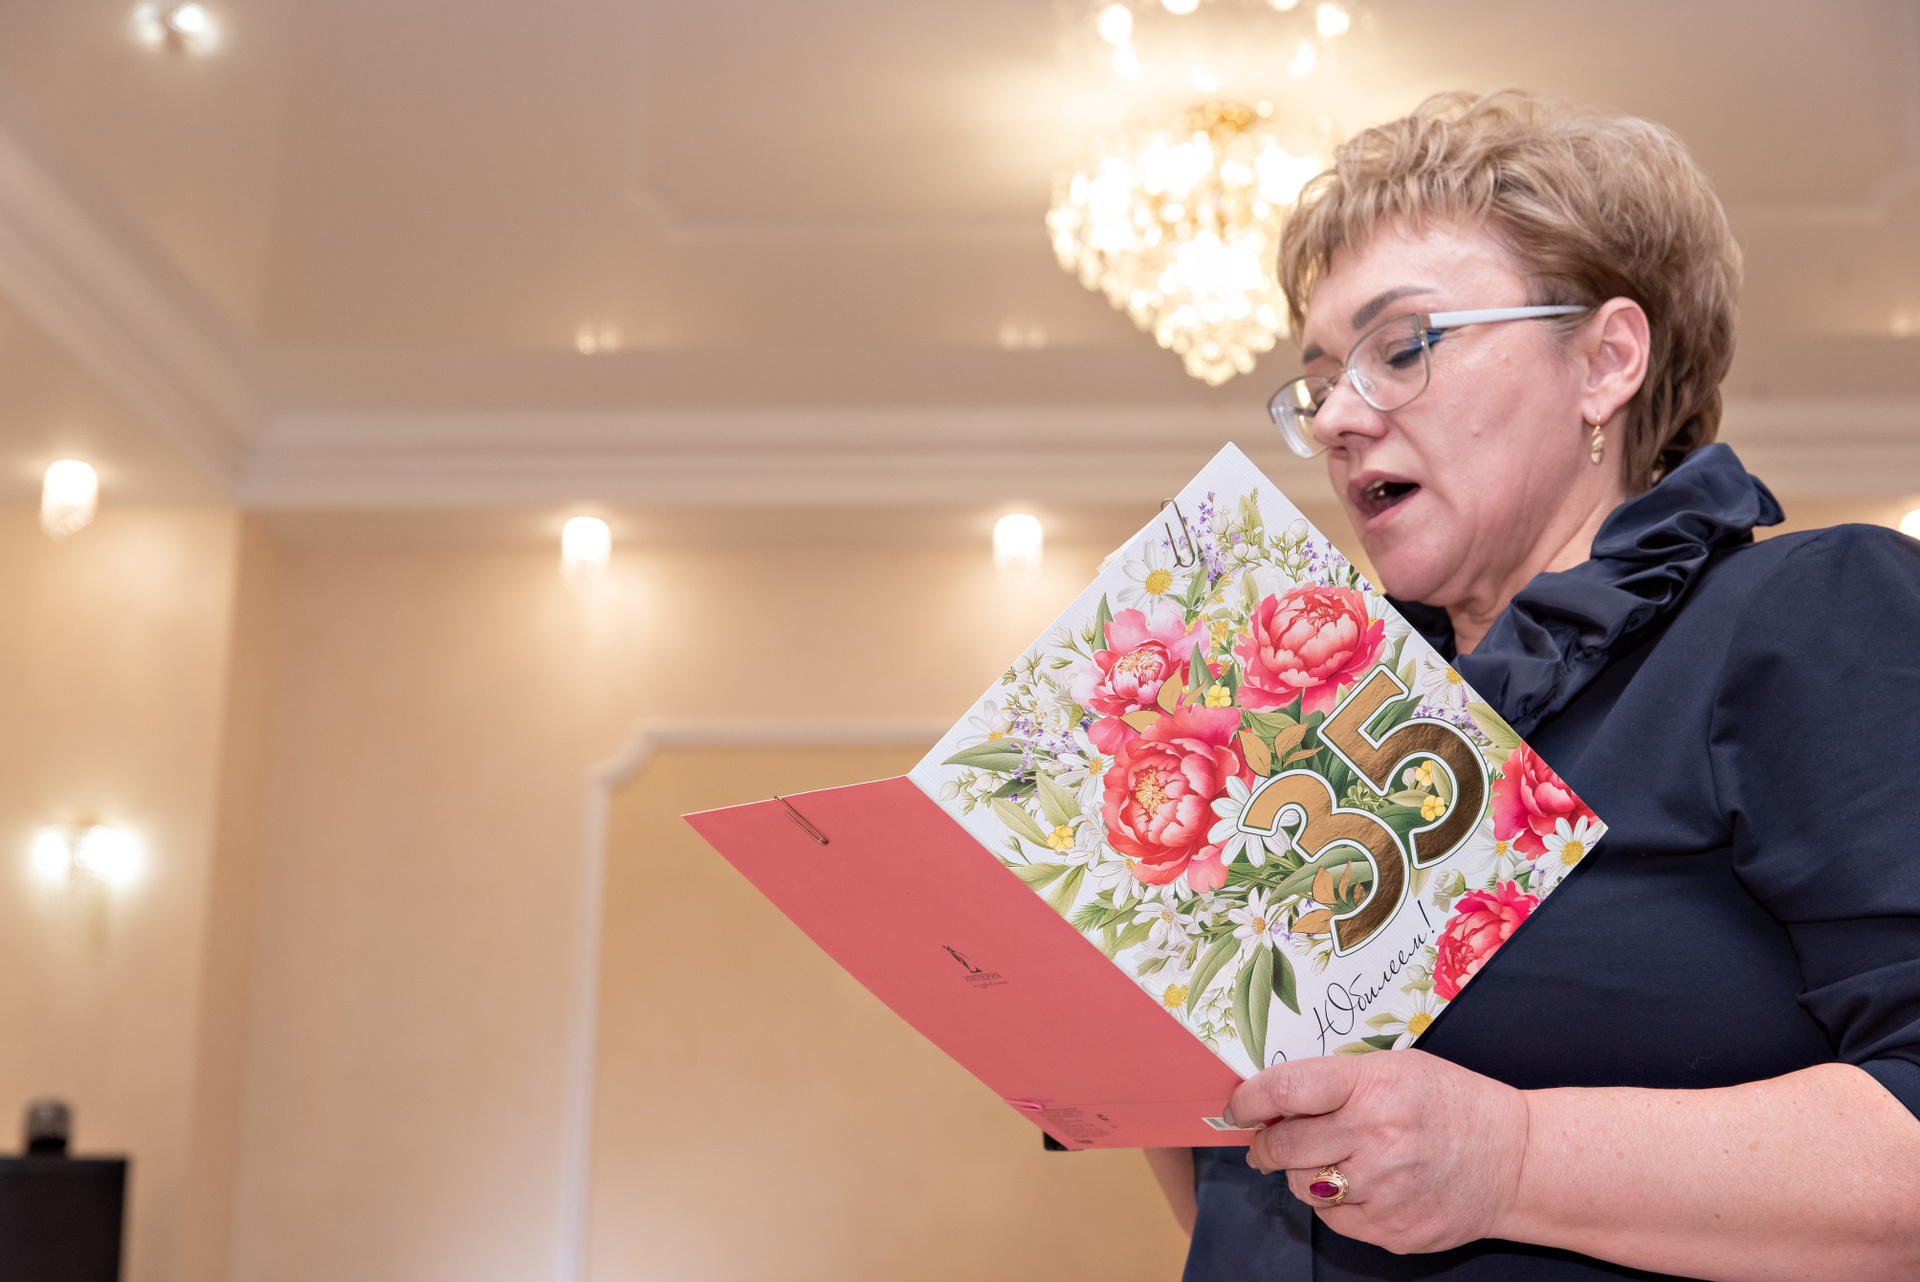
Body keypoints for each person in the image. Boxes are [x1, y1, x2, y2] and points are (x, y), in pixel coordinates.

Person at [1148, 89, 1920, 1281]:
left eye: (1402, 348)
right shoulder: (1303, 728)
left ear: (1606, 361)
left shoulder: (1804, 613)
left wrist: (1509, 1154)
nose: (1340, 417)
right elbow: (1259, 1188)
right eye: (1321, 380)